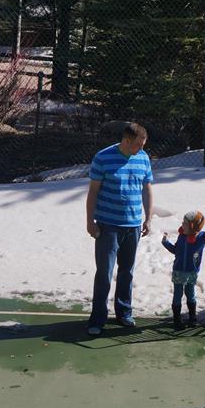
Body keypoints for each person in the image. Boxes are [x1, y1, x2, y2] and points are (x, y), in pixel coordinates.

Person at [85, 122, 153, 335]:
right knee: (104, 272)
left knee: (127, 271)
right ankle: (97, 319)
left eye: (143, 145)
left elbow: (147, 188)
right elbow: (93, 192)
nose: (141, 149)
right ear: (126, 141)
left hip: (133, 225)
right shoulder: (103, 158)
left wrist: (148, 218)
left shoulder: (143, 158)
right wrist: (90, 221)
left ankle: (124, 312)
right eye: (138, 145)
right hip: (108, 225)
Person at [162, 206, 205, 328]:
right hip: (178, 271)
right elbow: (176, 251)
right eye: (183, 222)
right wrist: (165, 242)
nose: (182, 225)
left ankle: (192, 317)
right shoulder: (181, 236)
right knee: (177, 295)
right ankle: (177, 319)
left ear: (193, 226)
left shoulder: (200, 238)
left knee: (190, 294)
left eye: (185, 223)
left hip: (192, 272)